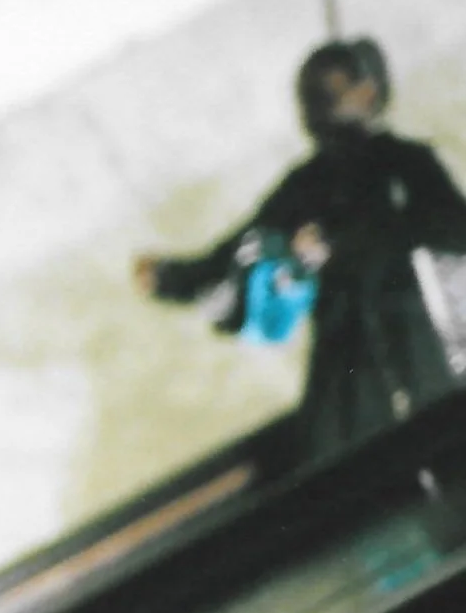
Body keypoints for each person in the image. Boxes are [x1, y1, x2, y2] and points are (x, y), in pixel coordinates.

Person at [136, 37, 466, 464]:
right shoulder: (314, 183)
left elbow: (454, 232)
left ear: (368, 94)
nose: (322, 109)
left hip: (421, 354)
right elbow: (235, 255)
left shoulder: (402, 165)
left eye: (332, 94)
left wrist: (355, 238)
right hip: (361, 371)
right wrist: (172, 279)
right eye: (318, 97)